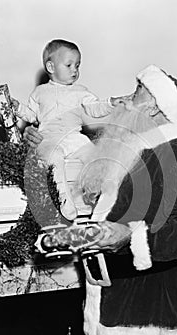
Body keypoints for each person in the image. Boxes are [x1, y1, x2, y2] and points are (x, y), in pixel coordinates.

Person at [24, 64, 177, 335]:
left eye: (136, 92)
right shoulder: (129, 150)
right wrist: (42, 139)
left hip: (150, 319)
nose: (124, 99)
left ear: (153, 109)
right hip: (113, 310)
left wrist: (132, 237)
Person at [12, 39, 122, 220]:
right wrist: (17, 108)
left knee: (93, 155)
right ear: (51, 67)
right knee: (53, 157)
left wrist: (111, 103)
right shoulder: (40, 92)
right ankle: (65, 199)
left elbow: (95, 108)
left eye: (78, 65)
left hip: (73, 136)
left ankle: (98, 195)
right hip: (49, 138)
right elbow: (31, 116)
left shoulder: (80, 91)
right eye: (69, 65)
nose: (75, 70)